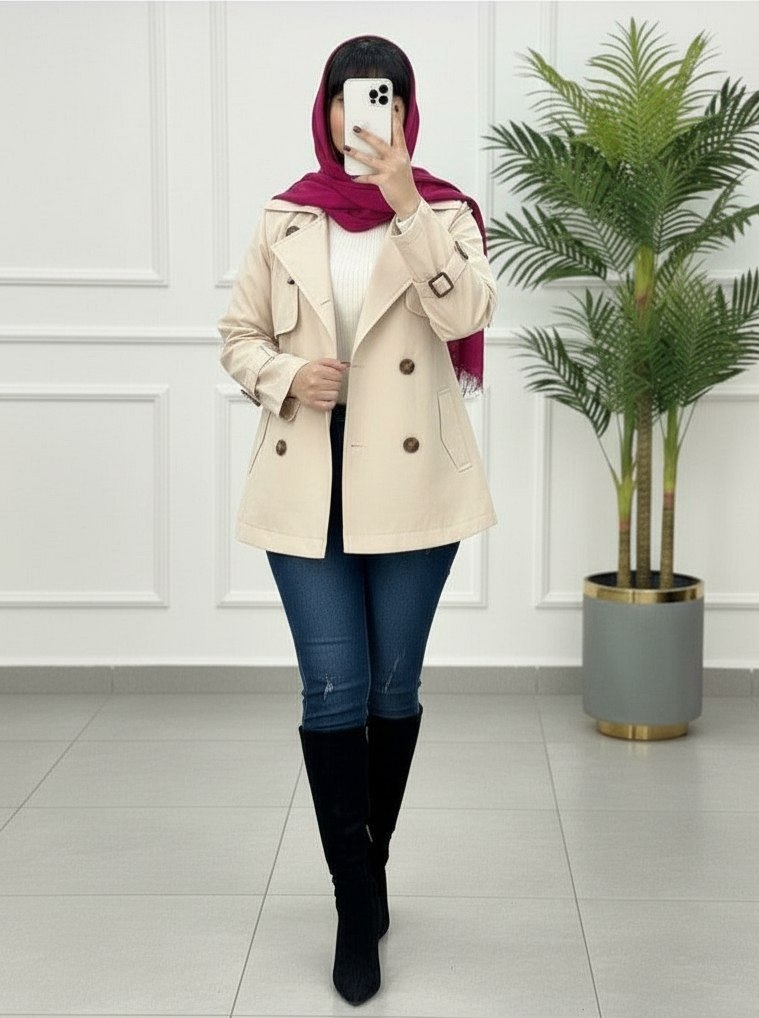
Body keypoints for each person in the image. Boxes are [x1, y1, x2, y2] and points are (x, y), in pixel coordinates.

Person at [218, 35, 496, 1006]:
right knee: (332, 689)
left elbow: (467, 317)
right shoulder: (285, 216)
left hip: (414, 490)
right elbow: (238, 338)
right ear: (326, 108)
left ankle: (365, 874)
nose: (362, 115)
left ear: (405, 112)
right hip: (308, 479)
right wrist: (290, 374)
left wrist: (408, 202)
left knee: (390, 688)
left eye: (382, 99)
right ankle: (355, 904)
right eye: (347, 97)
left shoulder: (446, 213)